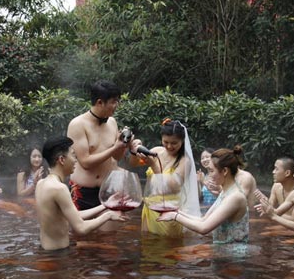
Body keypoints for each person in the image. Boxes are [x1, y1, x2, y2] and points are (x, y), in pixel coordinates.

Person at [35, 136, 127, 250]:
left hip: (46, 251)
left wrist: (105, 205)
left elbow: (75, 216)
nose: (76, 160)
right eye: (73, 155)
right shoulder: (59, 188)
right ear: (62, 159)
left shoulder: (41, 184)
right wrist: (108, 215)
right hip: (58, 257)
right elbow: (81, 228)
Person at [67, 80, 140, 210]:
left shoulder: (112, 122)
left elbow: (117, 158)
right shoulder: (77, 124)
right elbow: (85, 162)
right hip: (83, 191)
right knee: (80, 230)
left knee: (109, 231)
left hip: (109, 190)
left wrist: (123, 144)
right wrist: (115, 147)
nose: (117, 105)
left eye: (117, 101)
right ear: (100, 102)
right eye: (113, 101)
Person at [157, 146, 249, 244]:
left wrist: (175, 216)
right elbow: (203, 219)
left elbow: (204, 228)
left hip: (234, 256)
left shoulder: (235, 197)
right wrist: (177, 212)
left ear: (225, 171)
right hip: (223, 251)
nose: (210, 175)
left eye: (211, 171)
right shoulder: (226, 192)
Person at [133, 118, 201, 236]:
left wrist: (154, 165)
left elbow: (172, 187)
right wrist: (133, 150)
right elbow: (134, 163)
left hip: (169, 212)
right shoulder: (156, 151)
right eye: (166, 142)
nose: (169, 146)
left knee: (168, 250)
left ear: (182, 141)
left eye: (174, 143)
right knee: (149, 247)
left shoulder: (185, 161)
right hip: (150, 208)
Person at [197, 147, 220, 212]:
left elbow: (221, 194)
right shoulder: (204, 176)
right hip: (205, 210)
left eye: (207, 157)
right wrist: (198, 182)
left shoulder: (219, 175)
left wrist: (203, 181)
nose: (204, 160)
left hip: (218, 210)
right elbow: (200, 197)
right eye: (202, 158)